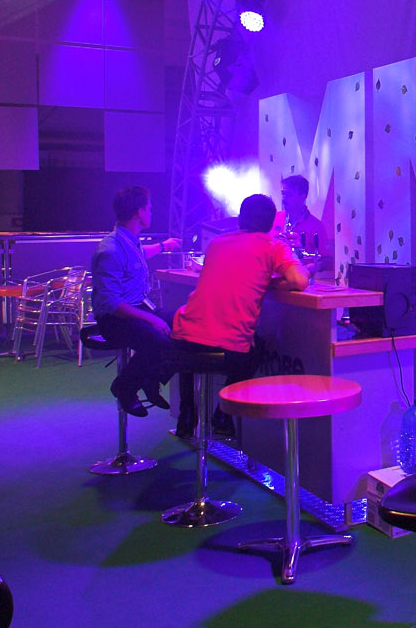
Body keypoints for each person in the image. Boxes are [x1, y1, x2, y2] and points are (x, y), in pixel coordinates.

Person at [169, 193, 307, 437]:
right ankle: (223, 414)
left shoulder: (217, 243)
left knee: (191, 343)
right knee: (256, 351)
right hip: (229, 352)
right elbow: (300, 281)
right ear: (271, 223)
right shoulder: (273, 246)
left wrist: (265, 280)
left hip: (183, 341)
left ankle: (186, 415)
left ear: (240, 219)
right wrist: (273, 281)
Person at [90, 185, 182, 416]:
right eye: (149, 208)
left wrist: (164, 245)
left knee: (185, 321)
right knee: (160, 343)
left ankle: (152, 378)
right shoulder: (110, 250)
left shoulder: (128, 240)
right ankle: (125, 387)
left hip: (136, 309)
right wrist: (152, 320)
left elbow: (140, 253)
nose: (152, 212)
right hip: (114, 319)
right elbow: (112, 304)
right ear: (139, 213)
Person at [274, 174, 327, 258]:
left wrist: (314, 265)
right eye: (283, 194)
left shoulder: (316, 226)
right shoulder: (274, 218)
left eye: (289, 195)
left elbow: (327, 260)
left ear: (302, 197)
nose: (284, 199)